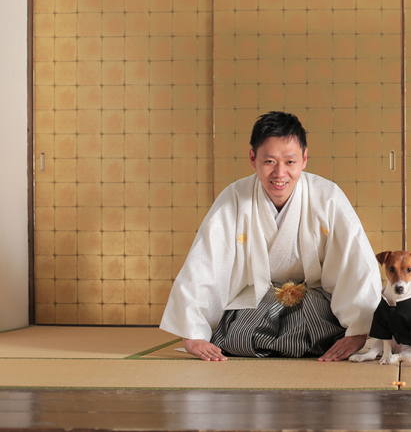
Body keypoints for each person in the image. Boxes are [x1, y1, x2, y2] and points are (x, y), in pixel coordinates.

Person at [160, 111, 382, 362]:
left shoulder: (328, 197)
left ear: (305, 159)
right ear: (253, 158)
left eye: (290, 162)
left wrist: (359, 329)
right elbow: (206, 260)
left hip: (316, 302)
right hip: (255, 302)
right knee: (240, 336)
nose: (279, 174)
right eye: (269, 162)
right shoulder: (234, 197)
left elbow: (356, 259)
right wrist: (193, 330)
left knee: (324, 332)